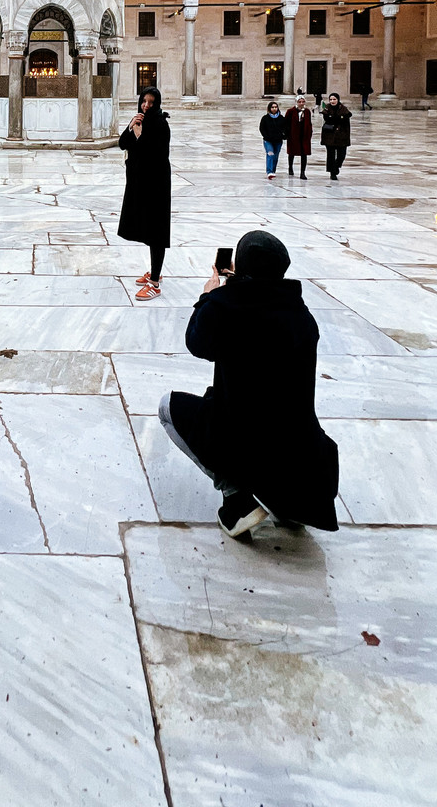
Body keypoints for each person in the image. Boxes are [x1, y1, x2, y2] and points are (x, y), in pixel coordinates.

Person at [158, 230, 339, 539]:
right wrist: (238, 285)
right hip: (305, 461)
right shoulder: (301, 314)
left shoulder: (225, 307)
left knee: (167, 407)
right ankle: (286, 504)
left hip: (248, 446)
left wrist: (208, 296)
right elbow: (260, 305)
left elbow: (196, 342)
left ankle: (237, 500)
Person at [118, 87, 171, 301]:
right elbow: (122, 143)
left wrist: (140, 136)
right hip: (140, 183)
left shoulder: (161, 124)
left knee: (157, 231)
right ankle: (154, 271)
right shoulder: (140, 120)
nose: (146, 105)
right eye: (144, 101)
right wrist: (131, 127)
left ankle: (155, 283)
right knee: (147, 227)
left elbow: (157, 155)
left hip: (156, 184)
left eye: (151, 102)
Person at [321, 92, 352, 180]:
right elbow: (328, 118)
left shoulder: (343, 109)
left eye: (334, 99)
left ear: (338, 100)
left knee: (341, 154)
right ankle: (332, 172)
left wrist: (336, 118)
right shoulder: (327, 108)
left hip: (341, 136)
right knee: (330, 155)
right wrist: (339, 118)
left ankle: (336, 166)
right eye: (331, 99)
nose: (332, 101)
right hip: (329, 135)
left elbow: (346, 117)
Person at [284, 95, 313, 179]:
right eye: (299, 102)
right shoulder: (290, 111)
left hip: (304, 135)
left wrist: (309, 133)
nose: (301, 103)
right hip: (293, 134)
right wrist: (287, 134)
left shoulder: (307, 111)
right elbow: (286, 123)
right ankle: (290, 167)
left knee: (304, 153)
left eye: (303, 102)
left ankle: (302, 172)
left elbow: (309, 123)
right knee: (292, 152)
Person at [259, 101, 286, 179]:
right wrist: (266, 136)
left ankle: (273, 170)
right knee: (270, 154)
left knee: (275, 156)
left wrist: (283, 136)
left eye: (275, 107)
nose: (274, 109)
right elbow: (262, 128)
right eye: (272, 107)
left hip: (278, 140)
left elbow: (285, 128)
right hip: (268, 140)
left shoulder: (281, 118)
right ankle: (269, 171)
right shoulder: (265, 118)